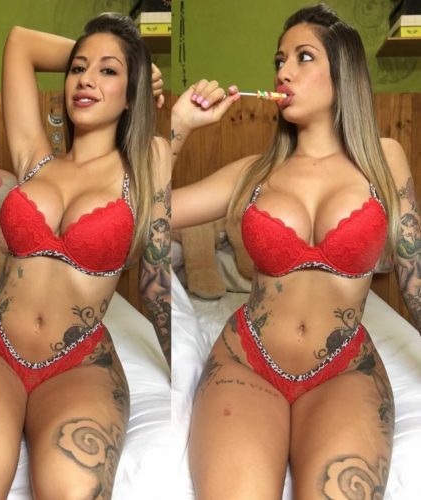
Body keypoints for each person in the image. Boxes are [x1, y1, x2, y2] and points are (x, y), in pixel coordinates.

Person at [171, 4, 420, 499]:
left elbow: (415, 274)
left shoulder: (384, 158)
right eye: (279, 60)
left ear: (343, 71)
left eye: (303, 57)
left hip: (343, 371)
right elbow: (142, 215)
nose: (283, 72)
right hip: (247, 364)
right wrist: (179, 129)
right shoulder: (253, 173)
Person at [0, 12, 170, 500]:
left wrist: (132, 61)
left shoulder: (145, 165)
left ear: (132, 95)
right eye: (78, 68)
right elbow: (20, 42)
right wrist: (109, 57)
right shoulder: (34, 159)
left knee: (73, 490)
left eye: (107, 71)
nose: (85, 79)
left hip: (77, 363)